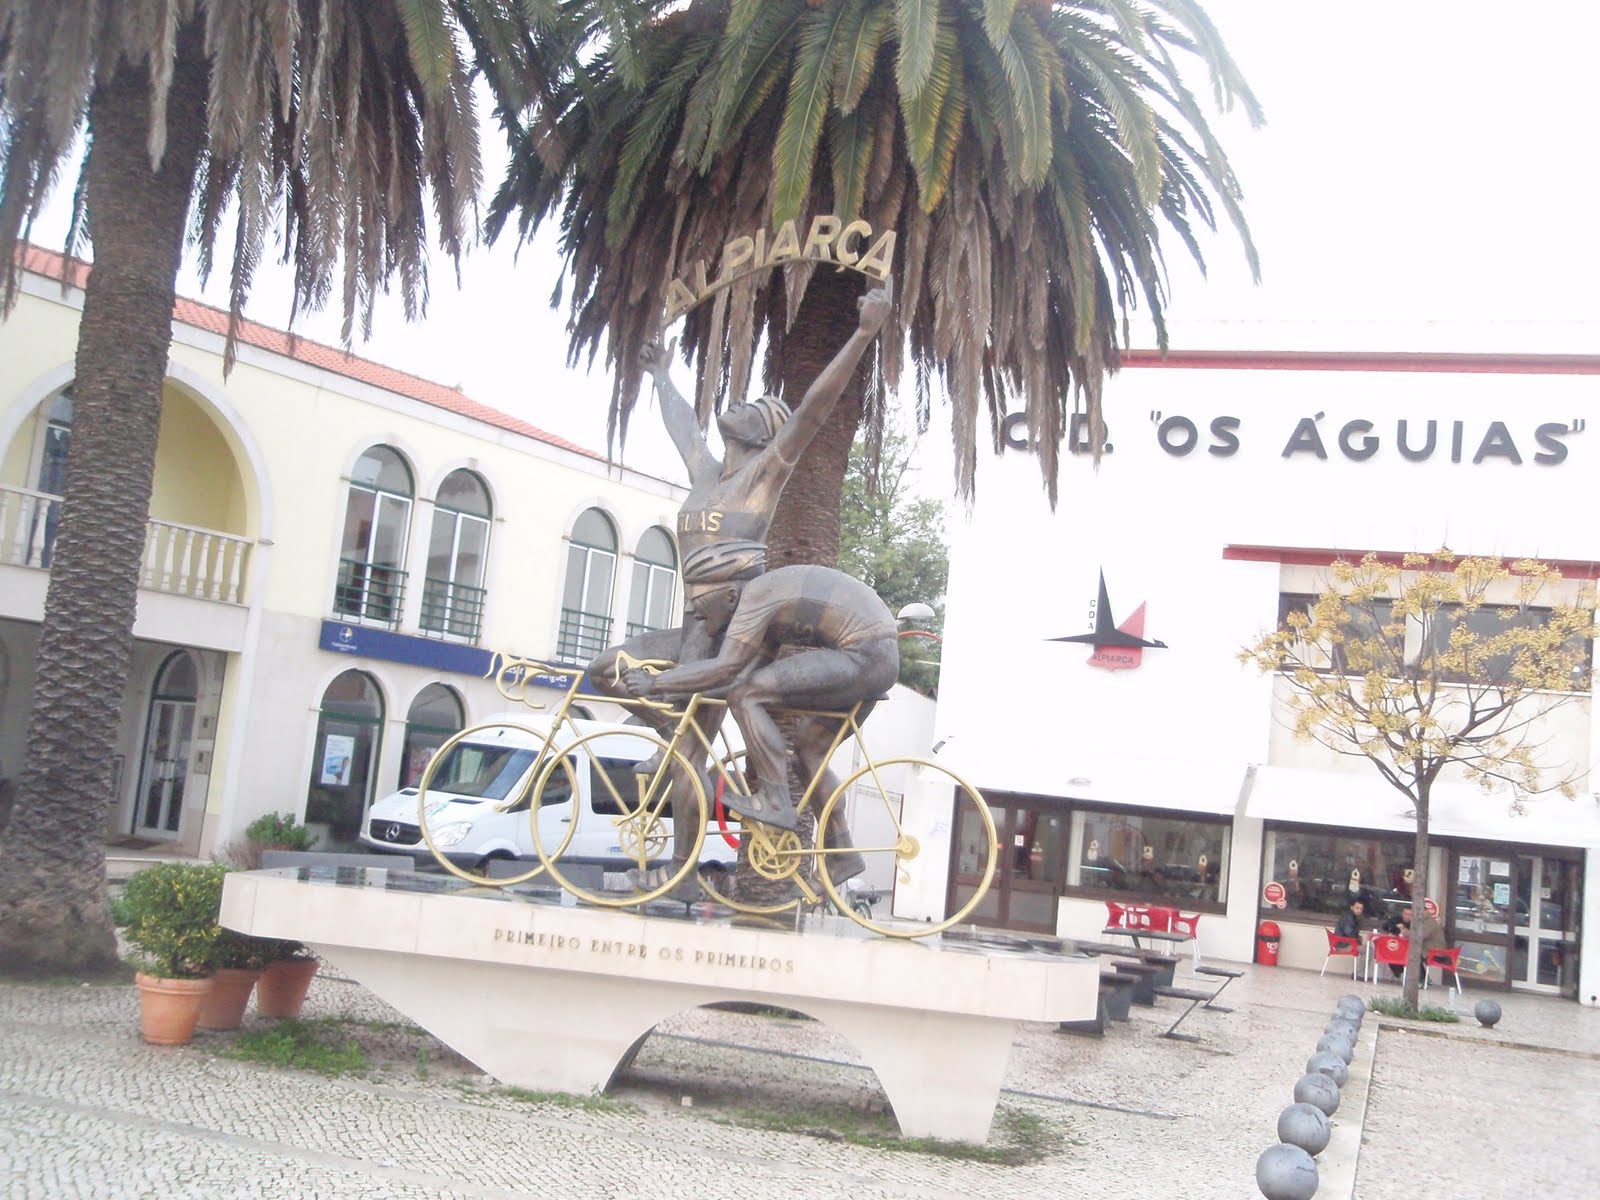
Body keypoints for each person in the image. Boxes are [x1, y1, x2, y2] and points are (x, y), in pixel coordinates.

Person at [587, 281, 894, 892]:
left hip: (734, 621)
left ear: (763, 433)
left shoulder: (764, 474)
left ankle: (678, 868)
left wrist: (863, 334)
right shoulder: (707, 475)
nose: (739, 404)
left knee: (691, 747)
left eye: (755, 406)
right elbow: (683, 428)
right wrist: (661, 376)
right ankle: (671, 739)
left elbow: (813, 411)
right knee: (605, 669)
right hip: (697, 618)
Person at [625, 565, 902, 883]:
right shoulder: (769, 612)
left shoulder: (754, 597)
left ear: (731, 597)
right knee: (808, 754)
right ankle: (842, 855)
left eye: (700, 605)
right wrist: (684, 690)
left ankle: (774, 799)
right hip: (876, 660)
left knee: (747, 696)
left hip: (864, 654)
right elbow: (735, 676)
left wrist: (656, 682)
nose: (695, 614)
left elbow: (726, 670)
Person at [1386, 905, 1448, 979]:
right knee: (1407, 954)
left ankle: (1421, 979)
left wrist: (1405, 932)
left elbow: (1420, 935)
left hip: (1434, 952)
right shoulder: (1423, 921)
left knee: (1412, 957)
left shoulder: (1429, 922)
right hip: (1427, 950)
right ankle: (1421, 978)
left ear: (1426, 911)